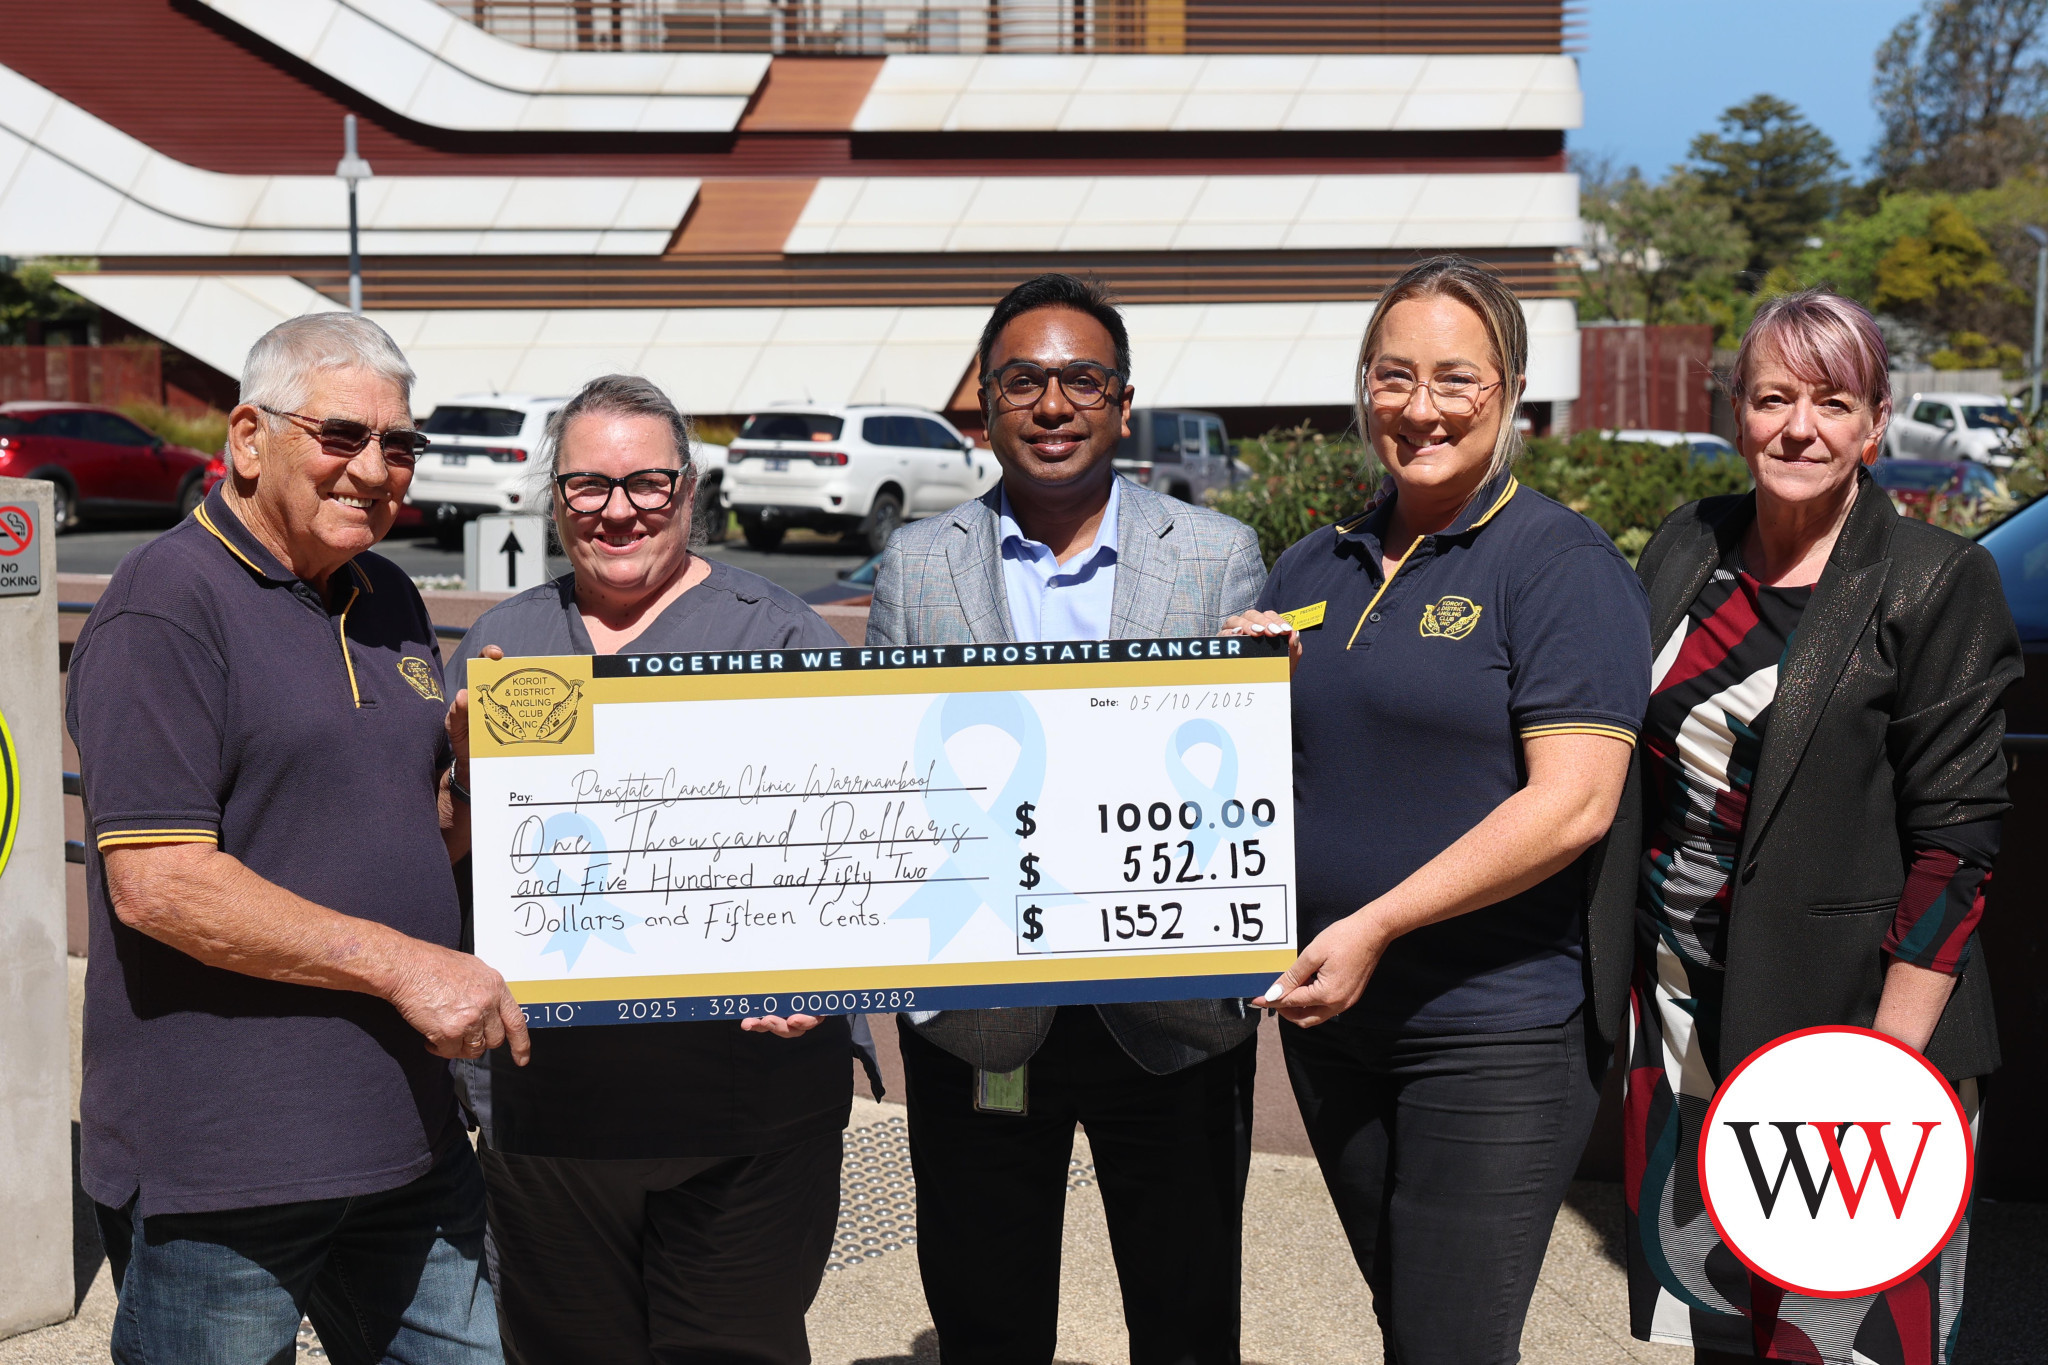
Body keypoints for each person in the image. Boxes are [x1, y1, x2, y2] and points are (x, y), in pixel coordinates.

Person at [66, 312, 522, 1364]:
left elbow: (401, 837)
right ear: (247, 437)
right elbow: (160, 884)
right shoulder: (165, 606)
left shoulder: (391, 596)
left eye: (398, 445)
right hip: (230, 1163)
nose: (373, 470)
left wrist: (482, 796)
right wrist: (409, 966)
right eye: (341, 436)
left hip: (406, 1139)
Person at [1227, 255, 1653, 1364]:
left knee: (1447, 1339)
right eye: (1392, 374)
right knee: (1408, 1322)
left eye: (1454, 379)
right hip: (1335, 1028)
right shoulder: (1310, 564)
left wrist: (1372, 924)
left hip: (1490, 1033)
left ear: (1507, 393)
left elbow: (1574, 805)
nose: (1419, 409)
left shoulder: (1556, 564)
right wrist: (1221, 693)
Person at [1602, 289, 2018, 1364]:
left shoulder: (1933, 583)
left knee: (1840, 1339)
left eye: (1832, 402)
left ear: (1875, 422)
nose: (1799, 427)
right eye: (1772, 396)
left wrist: (1882, 1072)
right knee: (1719, 1322)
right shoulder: (1684, 547)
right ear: (1734, 411)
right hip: (1686, 1013)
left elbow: (1956, 846)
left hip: (1848, 1031)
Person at [867, 273, 1267, 1365]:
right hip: (983, 1024)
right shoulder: (917, 564)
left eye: (1080, 380)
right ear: (985, 406)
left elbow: (1242, 776)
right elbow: (889, 776)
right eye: (1022, 382)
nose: (1052, 405)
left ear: (1122, 403)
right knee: (986, 1313)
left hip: (1174, 1021)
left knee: (1186, 1317)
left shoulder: (1215, 556)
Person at [444, 373, 863, 1365]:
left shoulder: (781, 636)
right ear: (554, 497)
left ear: (688, 491)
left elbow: (855, 848)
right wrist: (465, 781)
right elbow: (443, 855)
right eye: (588, 485)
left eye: (647, 484)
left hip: (750, 1110)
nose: (619, 510)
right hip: (550, 1116)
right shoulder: (504, 647)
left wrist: (824, 966)